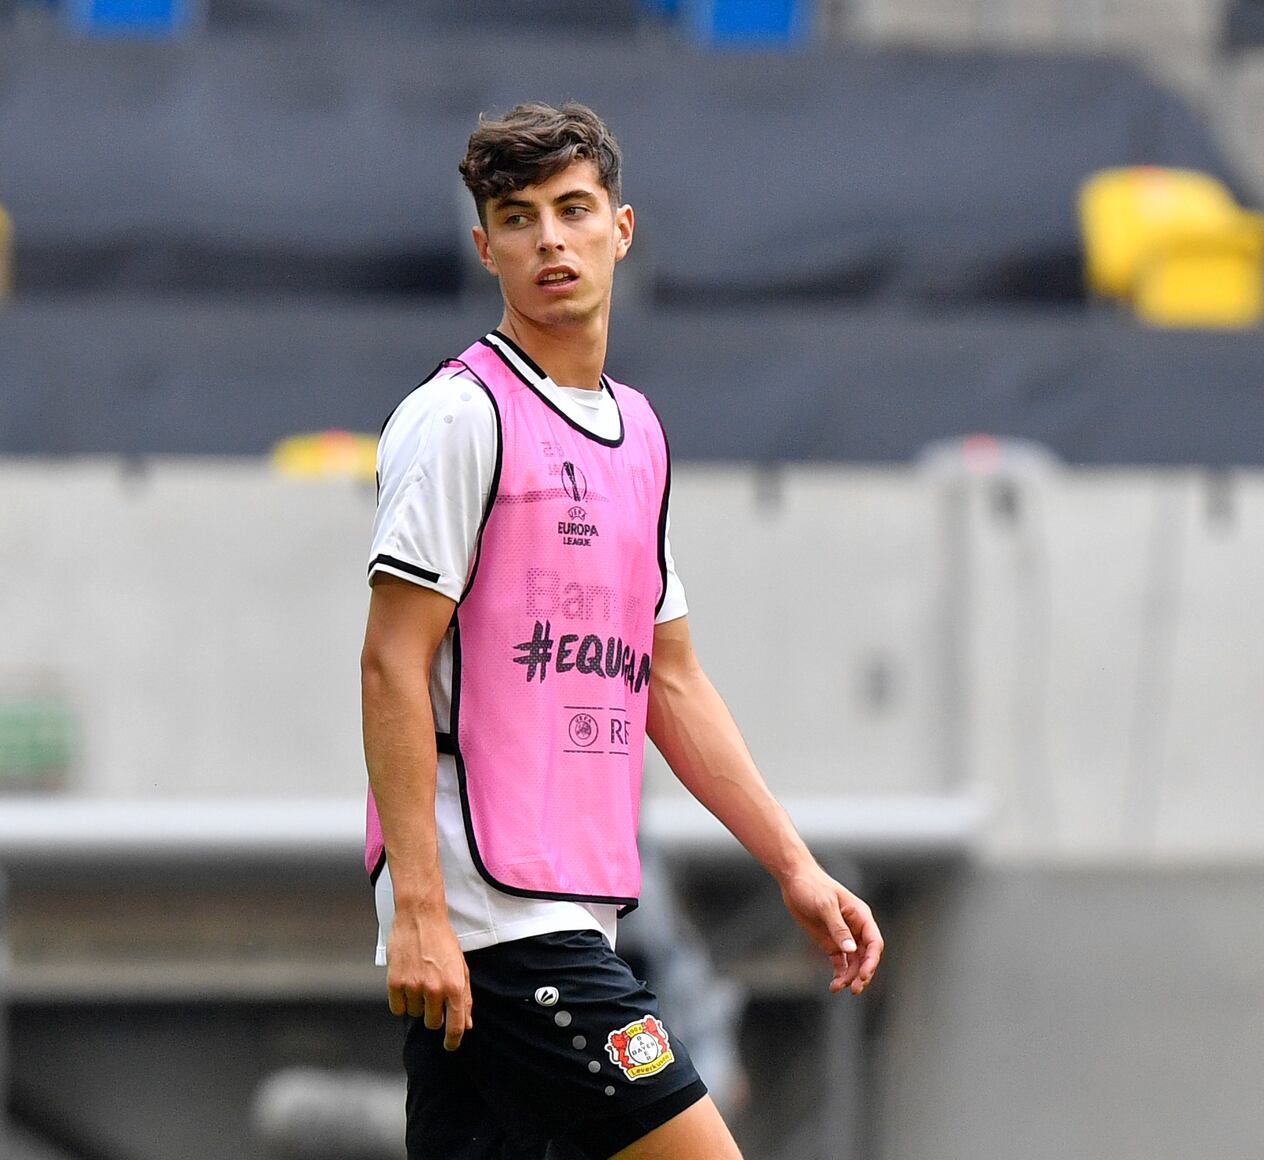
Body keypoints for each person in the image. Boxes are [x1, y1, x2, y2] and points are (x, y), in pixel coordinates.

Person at [360, 101, 883, 1160]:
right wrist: (420, 905)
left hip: (564, 902)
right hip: (495, 917)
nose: (548, 238)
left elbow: (671, 680)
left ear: (620, 227)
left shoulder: (637, 435)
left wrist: (794, 865)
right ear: (486, 248)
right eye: (518, 218)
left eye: (571, 209)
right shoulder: (461, 419)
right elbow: (390, 661)